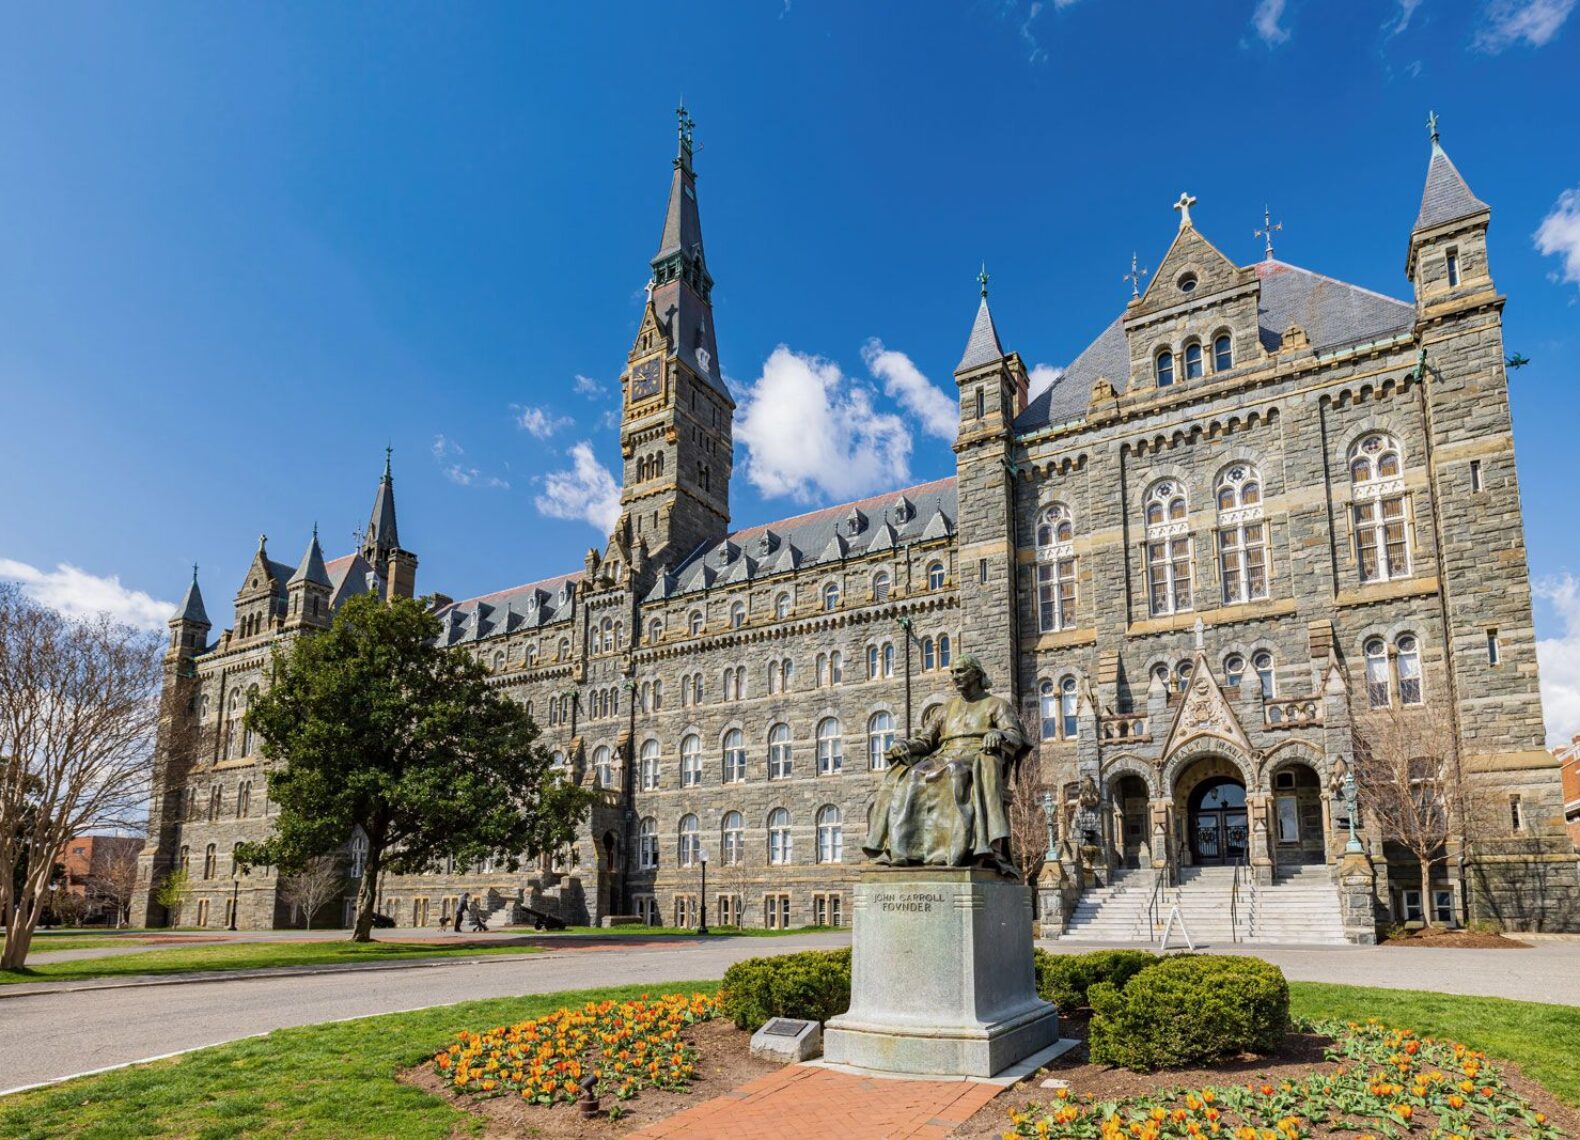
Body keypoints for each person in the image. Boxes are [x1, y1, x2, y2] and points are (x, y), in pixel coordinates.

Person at [862, 653, 1031, 874]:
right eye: (952, 672)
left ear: (976, 674)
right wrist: (904, 745)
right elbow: (925, 741)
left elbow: (1015, 736)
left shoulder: (997, 705)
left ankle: (951, 853)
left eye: (960, 671)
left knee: (954, 772)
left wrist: (999, 735)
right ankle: (906, 851)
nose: (955, 676)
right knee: (912, 775)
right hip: (943, 754)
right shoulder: (944, 709)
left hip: (977, 755)